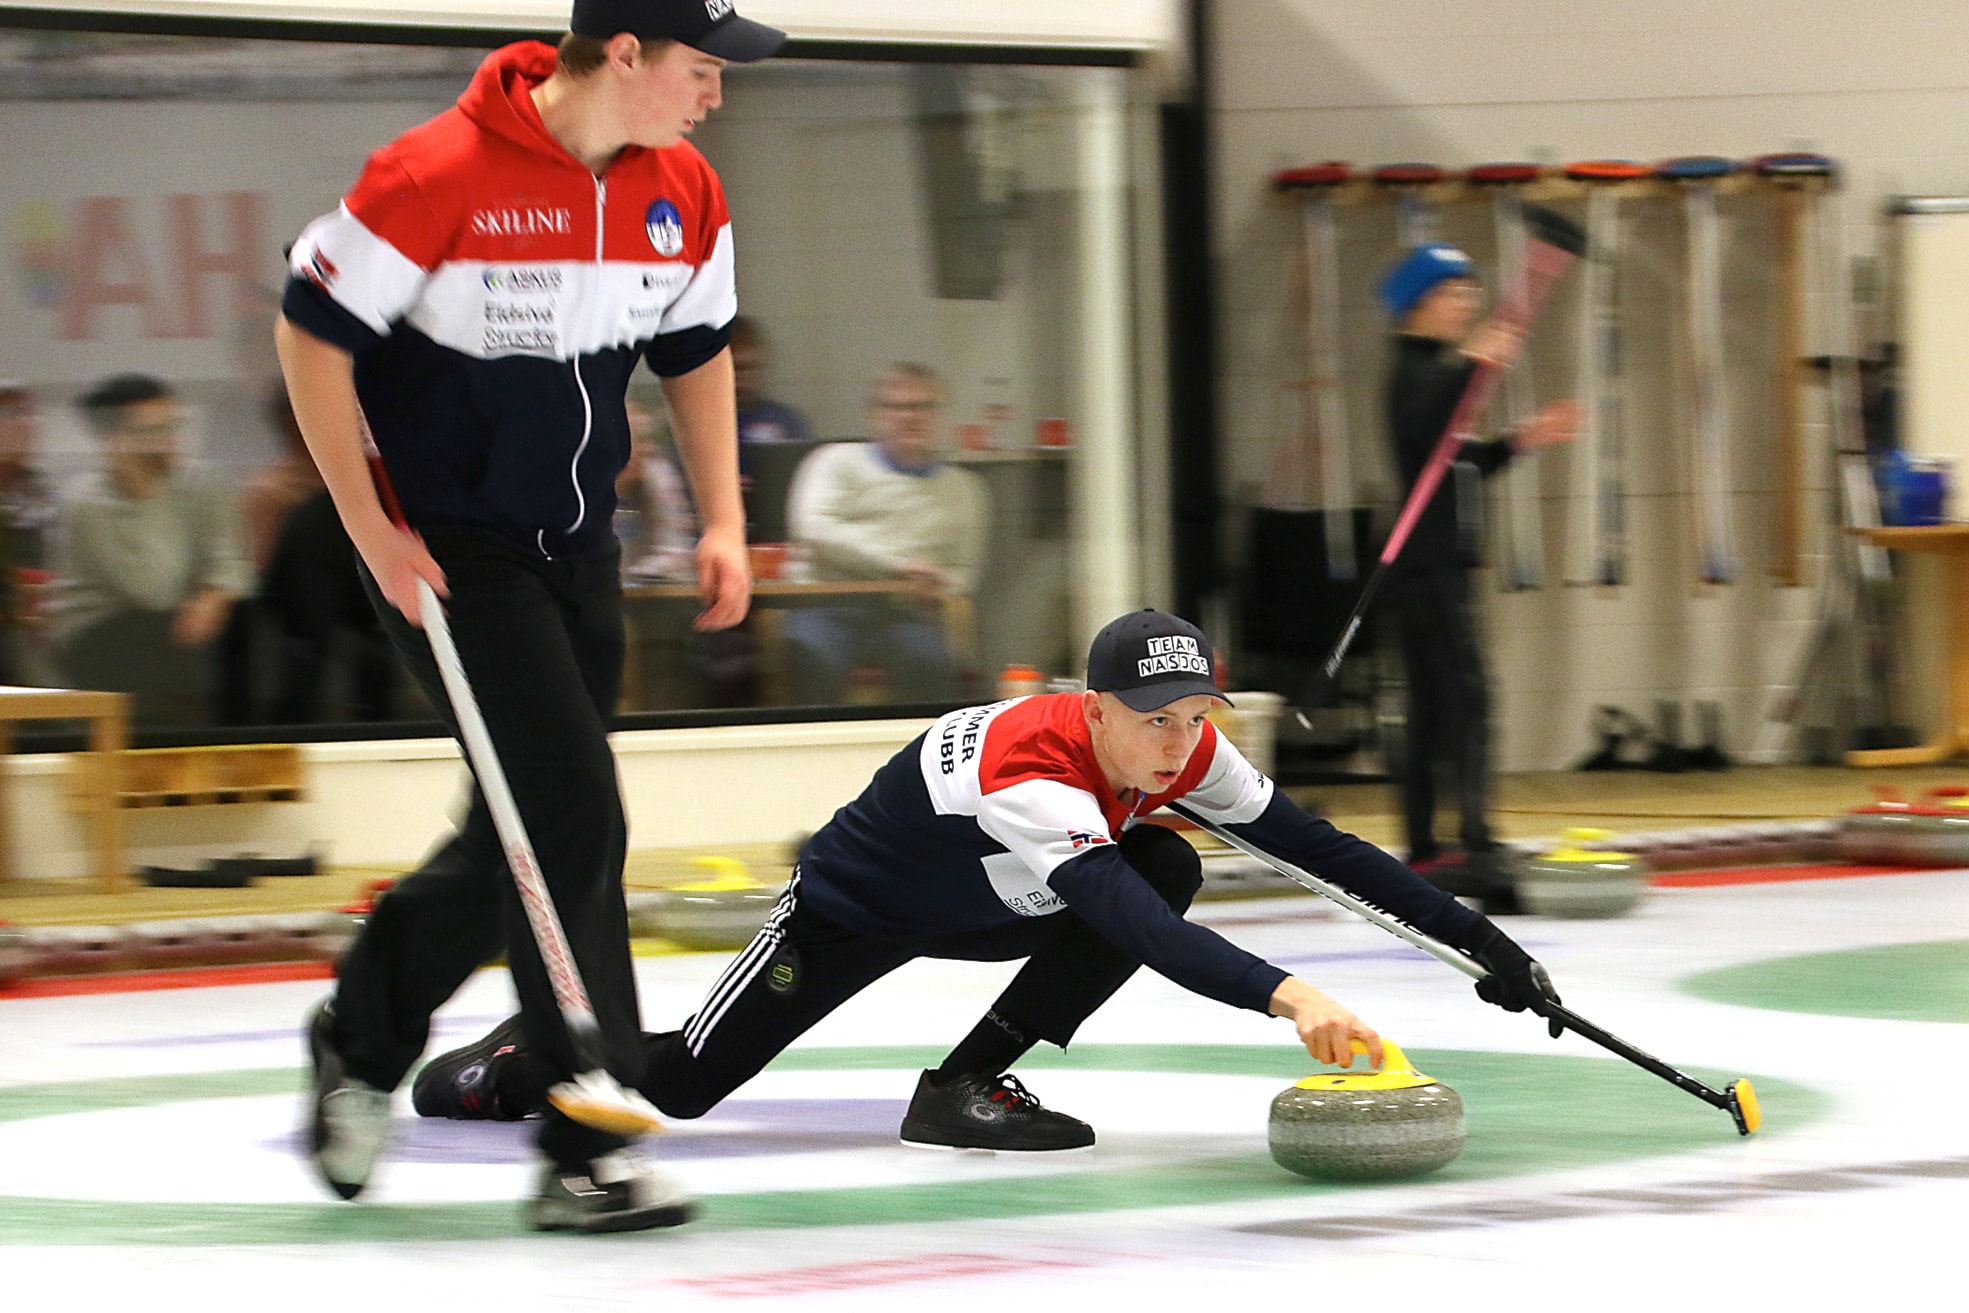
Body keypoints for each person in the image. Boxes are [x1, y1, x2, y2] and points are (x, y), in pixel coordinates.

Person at [413, 609, 1559, 1165]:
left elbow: (1326, 851)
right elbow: (1132, 926)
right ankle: (516, 1057)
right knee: (680, 1086)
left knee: (1165, 856)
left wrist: (1488, 949)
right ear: (1094, 707)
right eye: (1151, 721)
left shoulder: (1187, 753)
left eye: (1192, 717)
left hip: (991, 900)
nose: (1175, 745)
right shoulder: (1031, 767)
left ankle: (963, 1085)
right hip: (852, 907)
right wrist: (1289, 992)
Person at [274, 0, 782, 1234]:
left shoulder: (682, 187)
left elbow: (696, 352)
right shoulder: (432, 174)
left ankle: (359, 1029)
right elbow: (310, 334)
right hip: (449, 555)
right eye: (701, 68)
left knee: (528, 823)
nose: (716, 93)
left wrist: (723, 516)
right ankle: (582, 1137)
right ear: (626, 54)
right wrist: (368, 528)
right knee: (571, 810)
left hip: (577, 550)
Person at [1376, 244, 1575, 909]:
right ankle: (1466, 843)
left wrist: (1520, 440)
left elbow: (1457, 465)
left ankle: (1433, 845)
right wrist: (1474, 362)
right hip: (1426, 567)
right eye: (1454, 293)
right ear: (1419, 304)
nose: (1467, 304)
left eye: (1470, 291)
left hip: (1441, 565)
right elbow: (1424, 424)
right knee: (1463, 700)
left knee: (1441, 705)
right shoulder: (1412, 374)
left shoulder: (1435, 375)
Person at [48, 374, 251, 725]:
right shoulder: (87, 504)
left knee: (246, 626)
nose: (171, 440)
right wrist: (143, 489)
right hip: (104, 631)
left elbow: (233, 561)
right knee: (164, 645)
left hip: (172, 624)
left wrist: (214, 595)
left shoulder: (202, 482)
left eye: (174, 425)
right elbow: (153, 589)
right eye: (154, 431)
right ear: (115, 440)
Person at [782, 363, 987, 703]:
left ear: (940, 416)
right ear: (875, 416)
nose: (912, 417)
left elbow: (964, 573)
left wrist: (940, 588)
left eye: (923, 407)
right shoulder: (833, 462)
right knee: (810, 656)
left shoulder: (964, 489)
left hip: (907, 614)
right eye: (899, 407)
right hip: (827, 607)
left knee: (932, 660)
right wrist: (896, 565)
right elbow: (813, 529)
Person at [0, 382, 54, 683]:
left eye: (27, 412)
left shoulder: (41, 492)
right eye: (10, 413)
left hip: (37, 632)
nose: (25, 423)